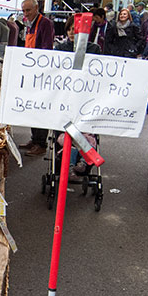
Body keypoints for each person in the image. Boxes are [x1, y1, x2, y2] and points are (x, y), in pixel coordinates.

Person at [55, 16, 101, 182]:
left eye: (76, 29)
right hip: (65, 99)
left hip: (86, 99)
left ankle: (81, 162)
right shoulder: (61, 48)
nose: (72, 32)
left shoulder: (94, 49)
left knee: (88, 136)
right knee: (65, 136)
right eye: (69, 29)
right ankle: (72, 165)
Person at [18, 0, 55, 157]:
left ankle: (41, 143)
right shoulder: (29, 25)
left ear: (36, 8)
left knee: (40, 107)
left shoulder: (45, 23)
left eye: (28, 10)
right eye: (24, 11)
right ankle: (34, 139)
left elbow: (47, 48)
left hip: (41, 71)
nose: (26, 14)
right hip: (30, 70)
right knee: (32, 107)